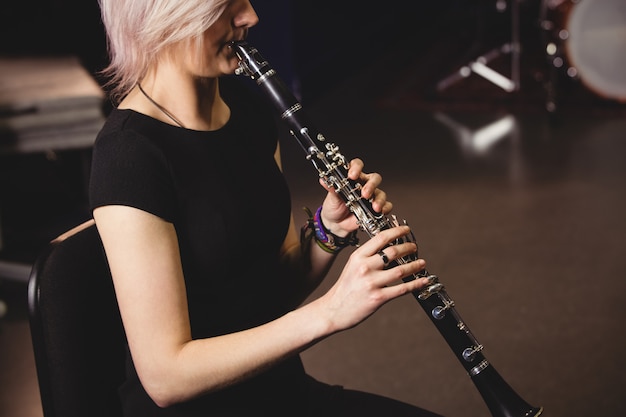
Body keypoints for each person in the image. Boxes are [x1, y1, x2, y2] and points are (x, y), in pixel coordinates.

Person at [90, 0, 443, 416]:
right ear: (164, 16)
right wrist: (331, 311)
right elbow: (166, 377)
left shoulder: (248, 109)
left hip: (282, 394)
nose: (250, 17)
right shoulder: (129, 155)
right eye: (227, 6)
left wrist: (330, 231)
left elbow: (271, 290)